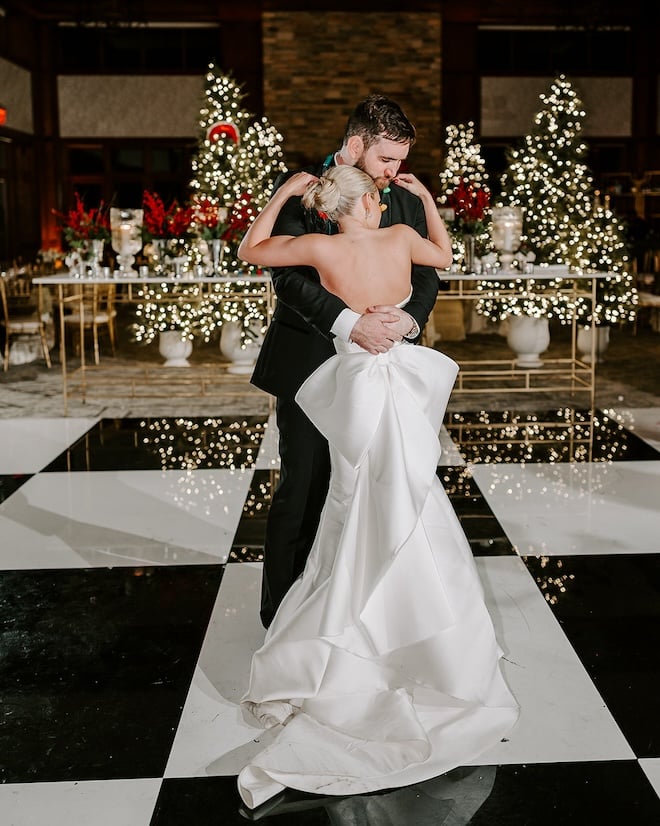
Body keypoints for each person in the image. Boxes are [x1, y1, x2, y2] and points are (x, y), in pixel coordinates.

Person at [235, 165, 519, 810]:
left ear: (332, 211)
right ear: (369, 201)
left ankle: (352, 618)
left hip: (358, 379)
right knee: (411, 487)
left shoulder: (323, 246)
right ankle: (413, 617)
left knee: (353, 494)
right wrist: (426, 201)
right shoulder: (399, 236)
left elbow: (251, 250)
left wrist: (281, 195)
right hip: (404, 375)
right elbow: (445, 256)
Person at [250, 94, 441, 629]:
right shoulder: (307, 190)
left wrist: (409, 320)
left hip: (385, 366)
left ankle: (365, 616)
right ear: (356, 145)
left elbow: (427, 272)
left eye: (400, 161)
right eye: (385, 159)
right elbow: (286, 275)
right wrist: (346, 323)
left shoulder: (399, 197)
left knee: (383, 488)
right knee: (305, 484)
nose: (393, 173)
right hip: (312, 359)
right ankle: (284, 619)